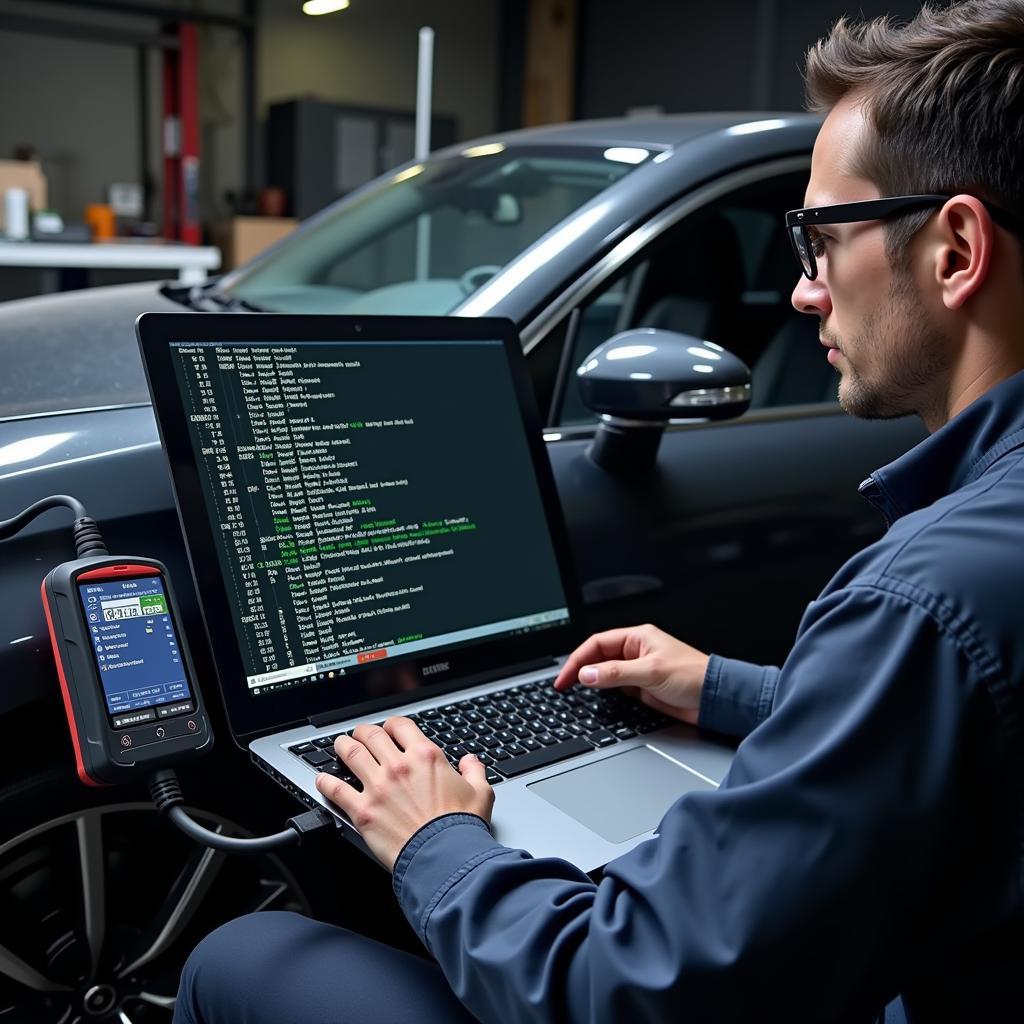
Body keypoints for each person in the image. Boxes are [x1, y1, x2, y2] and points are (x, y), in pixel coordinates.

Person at [173, 3, 1024, 1021]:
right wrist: (733, 690)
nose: (803, 293)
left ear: (954, 249)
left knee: (245, 956)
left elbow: (615, 988)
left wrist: (436, 838)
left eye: (817, 237)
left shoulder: (920, 600)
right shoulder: (965, 580)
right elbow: (964, 727)